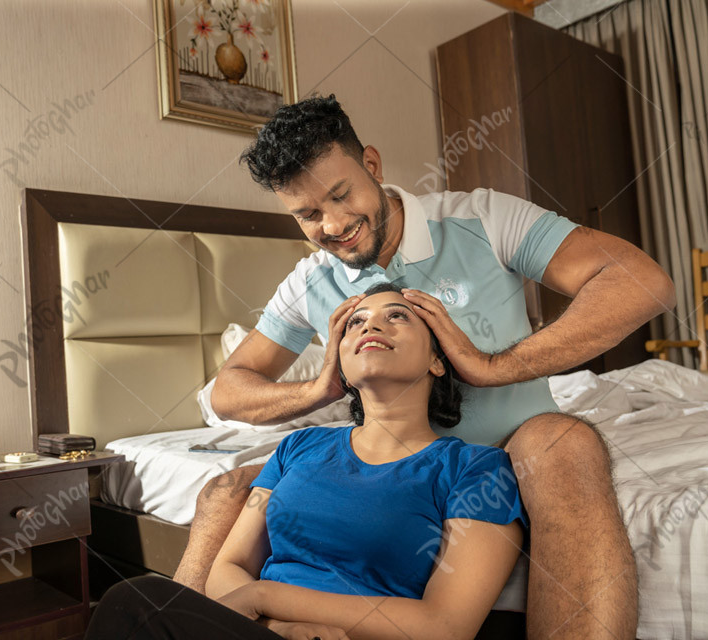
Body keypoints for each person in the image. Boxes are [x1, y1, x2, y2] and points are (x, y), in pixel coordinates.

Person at [173, 94, 675, 639]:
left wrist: (489, 366)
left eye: (341, 196)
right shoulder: (309, 282)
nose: (334, 225)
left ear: (372, 165)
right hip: (377, 457)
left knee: (562, 443)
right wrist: (321, 390)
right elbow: (228, 392)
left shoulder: (481, 216)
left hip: (499, 454)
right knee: (225, 491)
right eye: (309, 214)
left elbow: (640, 283)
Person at [85, 284, 527, 639]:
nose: (371, 325)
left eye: (397, 315)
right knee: (133, 601)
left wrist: (264, 597)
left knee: (138, 603)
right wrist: (281, 624)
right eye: (356, 322)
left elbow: (445, 626)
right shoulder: (299, 447)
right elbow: (227, 566)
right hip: (265, 630)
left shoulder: (477, 469)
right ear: (342, 366)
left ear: (436, 359)